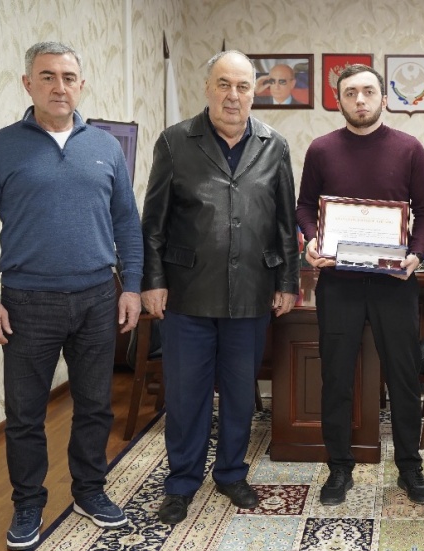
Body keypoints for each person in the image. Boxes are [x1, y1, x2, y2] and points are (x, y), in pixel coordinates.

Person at [0, 41, 143, 551]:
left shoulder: (105, 146)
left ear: (81, 85)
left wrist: (130, 286)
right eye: (47, 77)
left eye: (68, 77)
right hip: (26, 303)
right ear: (28, 84)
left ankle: (89, 491)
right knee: (25, 414)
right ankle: (28, 504)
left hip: (97, 297)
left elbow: (127, 223)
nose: (59, 86)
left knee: (95, 406)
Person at [141, 50, 299, 525]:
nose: (233, 95)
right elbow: (153, 223)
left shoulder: (275, 145)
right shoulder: (175, 142)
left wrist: (287, 281)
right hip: (186, 293)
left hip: (251, 291)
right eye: (224, 84)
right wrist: (153, 281)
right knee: (186, 395)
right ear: (207, 88)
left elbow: (285, 223)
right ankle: (181, 482)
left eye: (243, 86)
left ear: (255, 92)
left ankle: (231, 473)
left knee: (238, 392)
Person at [296, 64, 424, 507]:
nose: (360, 99)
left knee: (404, 377)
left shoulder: (409, 148)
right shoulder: (321, 150)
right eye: (351, 92)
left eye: (368, 91)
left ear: (383, 98)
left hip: (394, 282)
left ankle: (409, 468)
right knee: (336, 377)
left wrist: (416, 253)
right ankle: (339, 467)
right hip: (339, 283)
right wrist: (312, 240)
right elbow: (304, 207)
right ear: (339, 100)